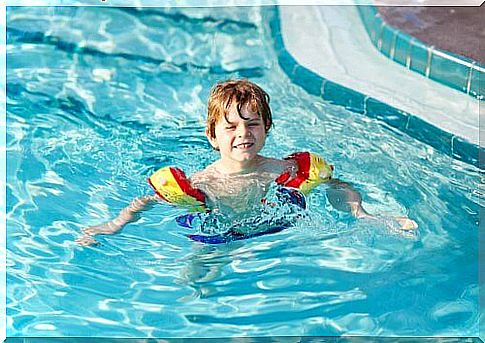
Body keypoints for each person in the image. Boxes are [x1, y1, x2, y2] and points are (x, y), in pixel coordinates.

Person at [75, 79, 417, 246]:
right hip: (221, 235)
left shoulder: (284, 169)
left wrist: (361, 213)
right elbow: (148, 200)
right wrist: (115, 224)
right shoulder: (203, 182)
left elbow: (335, 183)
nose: (244, 133)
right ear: (212, 136)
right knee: (197, 281)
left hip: (280, 230)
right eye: (231, 126)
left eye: (253, 124)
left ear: (267, 128)